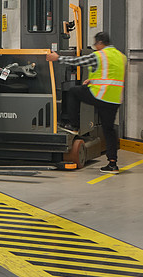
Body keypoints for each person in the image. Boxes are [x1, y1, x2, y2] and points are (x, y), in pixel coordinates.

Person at [47, 31, 127, 172]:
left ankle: (74, 125)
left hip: (99, 95)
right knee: (108, 129)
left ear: (100, 43)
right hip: (114, 99)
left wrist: (57, 58)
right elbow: (111, 74)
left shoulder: (99, 55)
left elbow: (78, 61)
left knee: (73, 92)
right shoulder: (121, 57)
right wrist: (92, 80)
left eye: (96, 44)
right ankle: (112, 163)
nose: (95, 47)